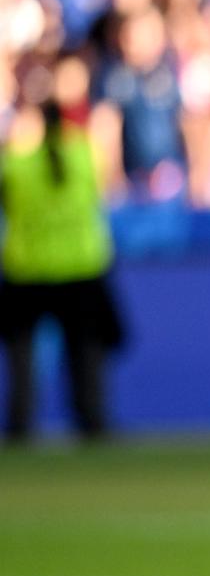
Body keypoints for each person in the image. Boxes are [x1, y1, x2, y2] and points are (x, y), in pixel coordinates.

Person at [1, 92, 124, 443]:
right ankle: (92, 422)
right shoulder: (85, 155)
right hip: (81, 267)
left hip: (27, 269)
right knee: (86, 355)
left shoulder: (15, 163)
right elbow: (108, 187)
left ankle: (20, 426)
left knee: (21, 359)